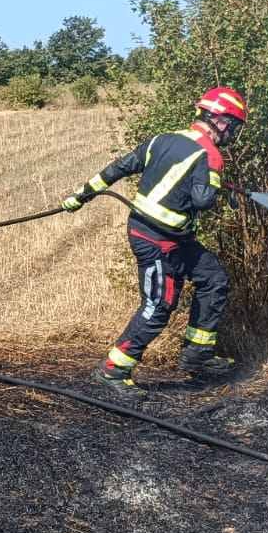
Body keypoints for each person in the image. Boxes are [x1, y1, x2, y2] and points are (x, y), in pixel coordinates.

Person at [62, 87, 248, 397]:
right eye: (234, 125)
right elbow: (202, 201)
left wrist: (82, 195)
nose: (233, 132)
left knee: (213, 278)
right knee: (159, 305)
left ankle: (197, 353)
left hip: (175, 238)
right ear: (220, 120)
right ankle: (113, 370)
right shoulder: (211, 155)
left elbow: (120, 167)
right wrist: (213, 182)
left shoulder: (162, 139)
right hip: (155, 241)